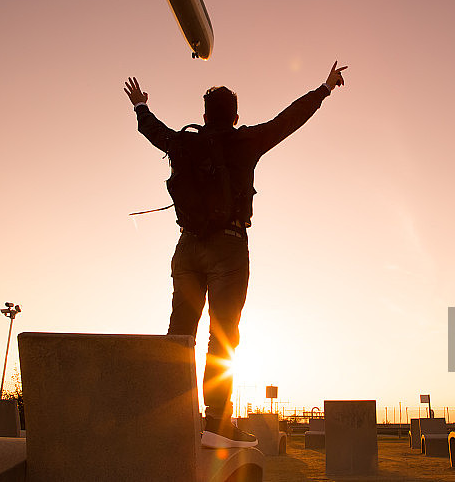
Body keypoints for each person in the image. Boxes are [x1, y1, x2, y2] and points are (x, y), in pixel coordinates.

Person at [124, 61, 347, 448]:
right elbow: (287, 121)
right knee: (222, 336)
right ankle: (215, 424)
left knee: (180, 334)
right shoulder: (246, 142)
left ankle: (172, 416)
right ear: (236, 116)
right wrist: (324, 89)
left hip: (187, 247)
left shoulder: (184, 141)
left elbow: (154, 132)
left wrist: (141, 106)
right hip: (228, 248)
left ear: (205, 116)